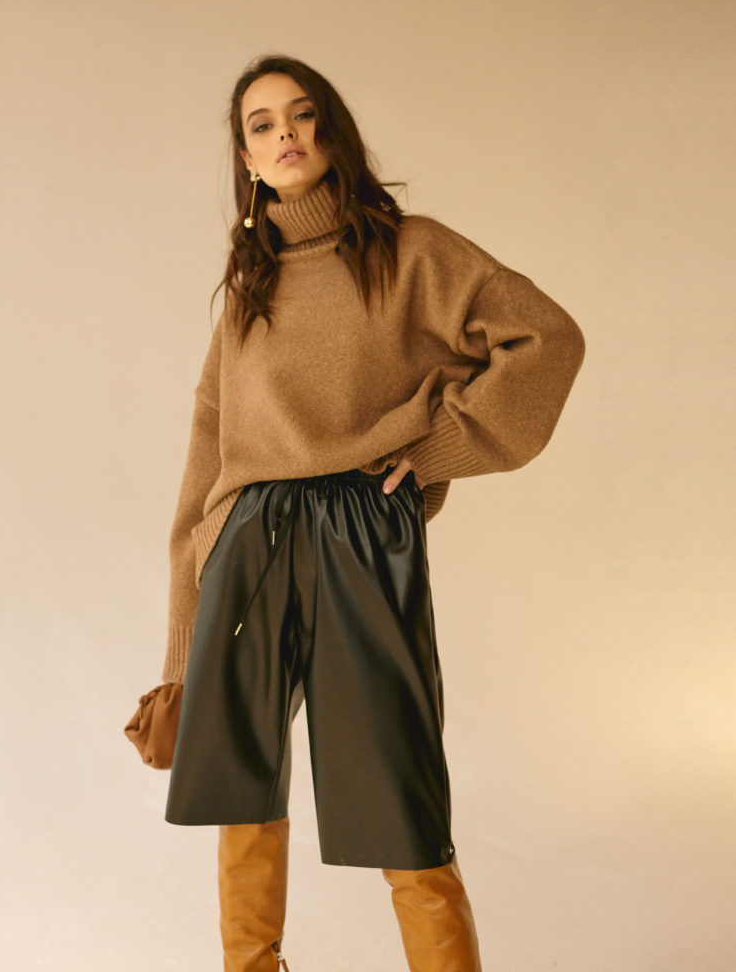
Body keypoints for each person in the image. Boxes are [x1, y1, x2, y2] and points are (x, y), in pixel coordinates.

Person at [127, 54, 585, 971]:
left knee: (396, 782)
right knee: (240, 785)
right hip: (247, 539)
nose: (284, 135)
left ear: (330, 131)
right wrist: (180, 646)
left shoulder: (413, 252)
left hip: (359, 532)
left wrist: (436, 451)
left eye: (301, 115)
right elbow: (207, 456)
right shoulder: (249, 288)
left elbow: (547, 339)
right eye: (261, 125)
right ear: (247, 159)